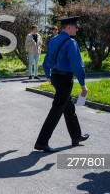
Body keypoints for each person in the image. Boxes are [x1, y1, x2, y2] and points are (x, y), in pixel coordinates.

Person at [34, 16, 89, 153]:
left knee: (68, 106)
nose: (77, 28)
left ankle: (76, 136)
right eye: (75, 26)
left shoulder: (53, 40)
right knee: (56, 110)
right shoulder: (71, 42)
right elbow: (77, 65)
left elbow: (46, 61)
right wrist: (83, 84)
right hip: (65, 79)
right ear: (69, 27)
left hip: (56, 77)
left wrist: (48, 76)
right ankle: (42, 142)